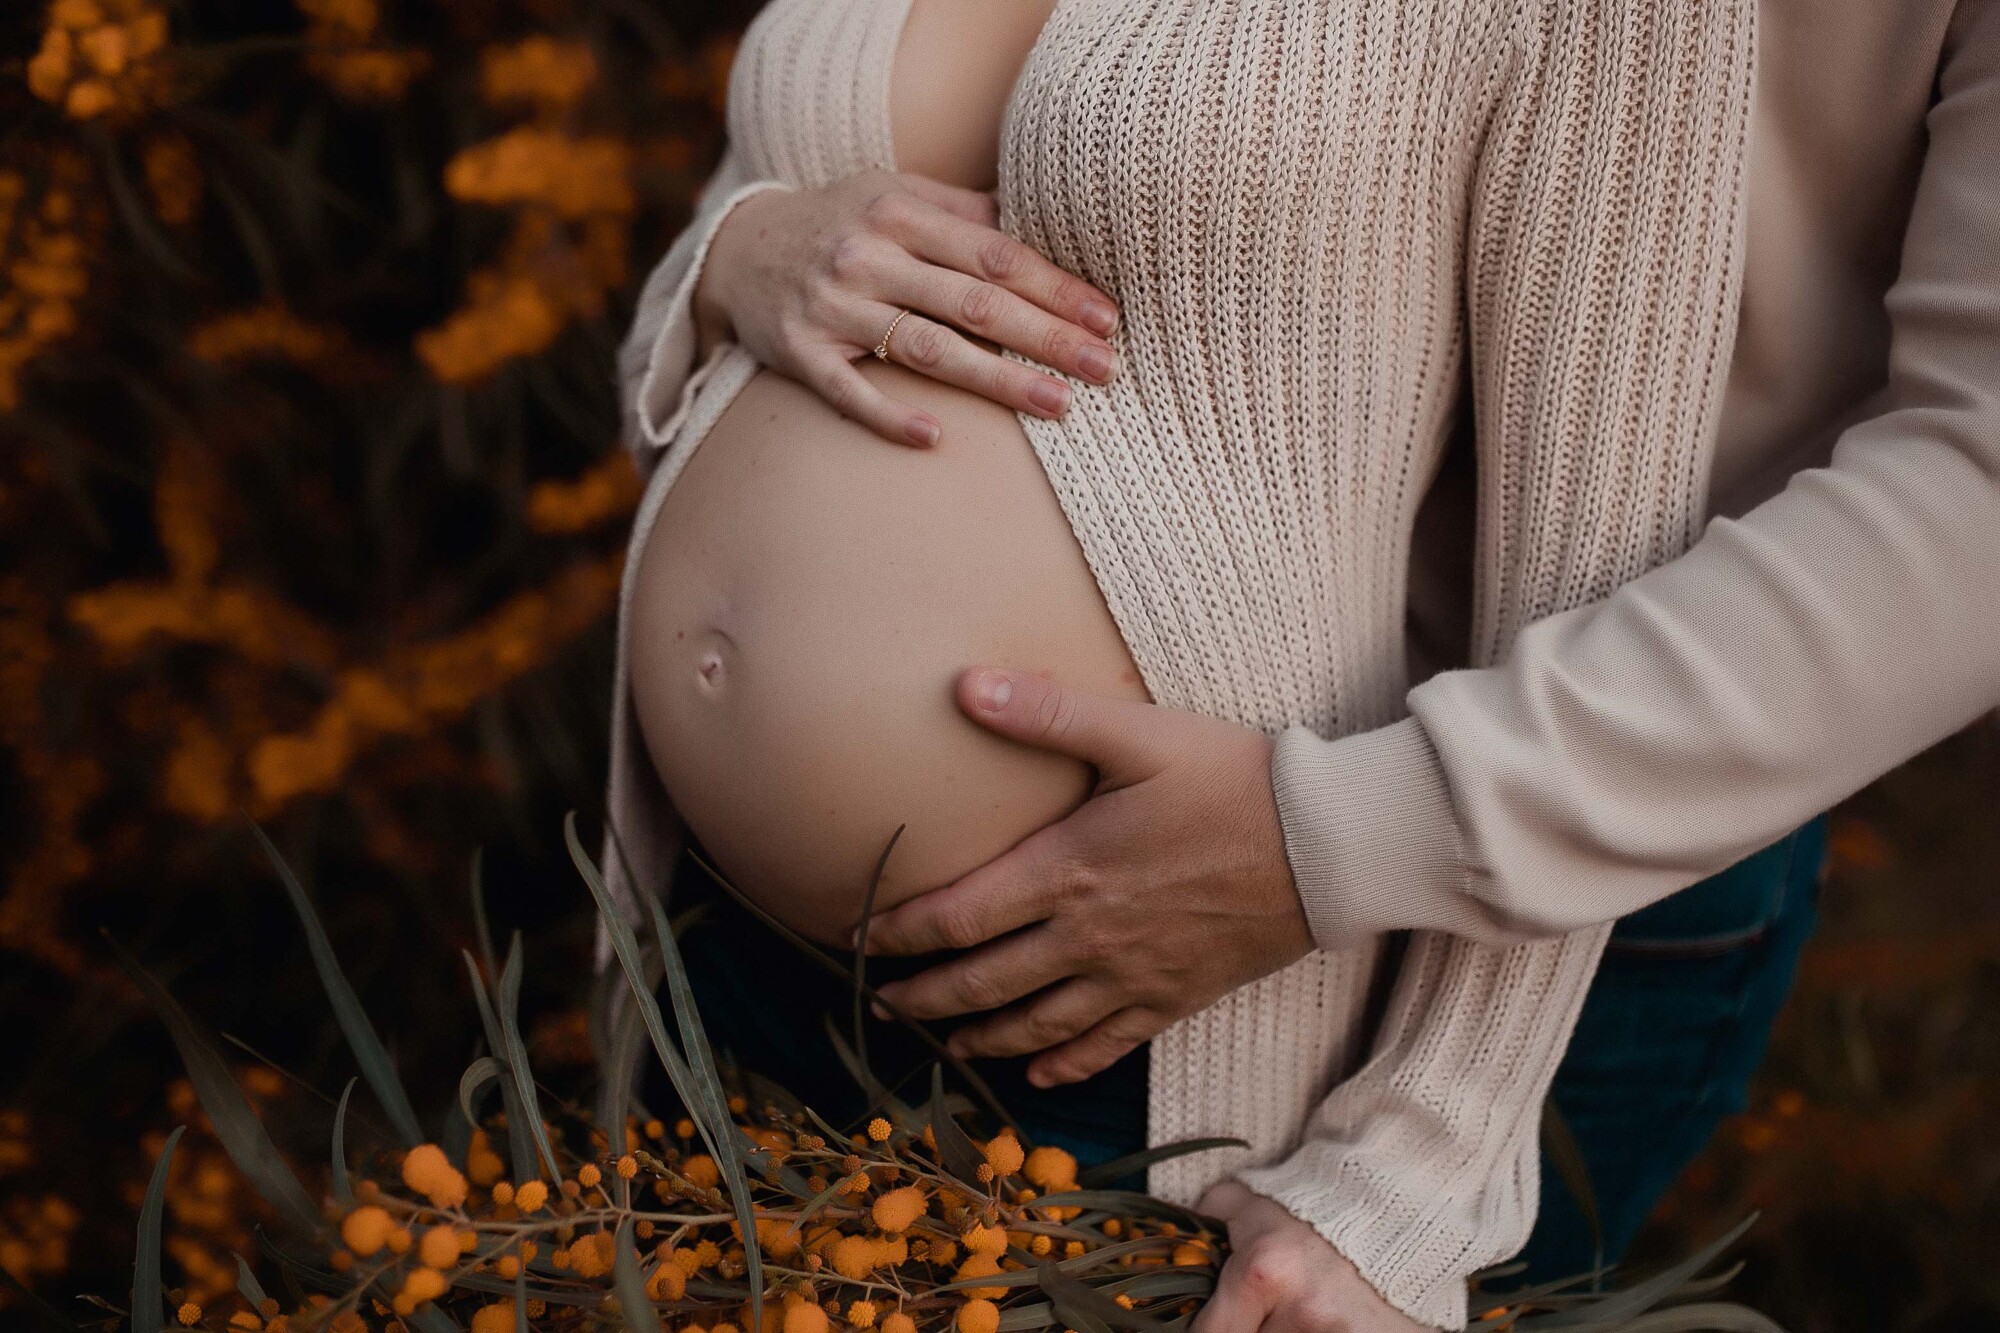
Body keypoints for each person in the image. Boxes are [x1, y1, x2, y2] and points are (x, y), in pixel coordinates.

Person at [600, 1, 2000, 1329]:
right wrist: (738, 249)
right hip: (722, 933)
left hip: (1256, 928)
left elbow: (1838, 504)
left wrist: (1415, 1142)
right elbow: (814, 154)